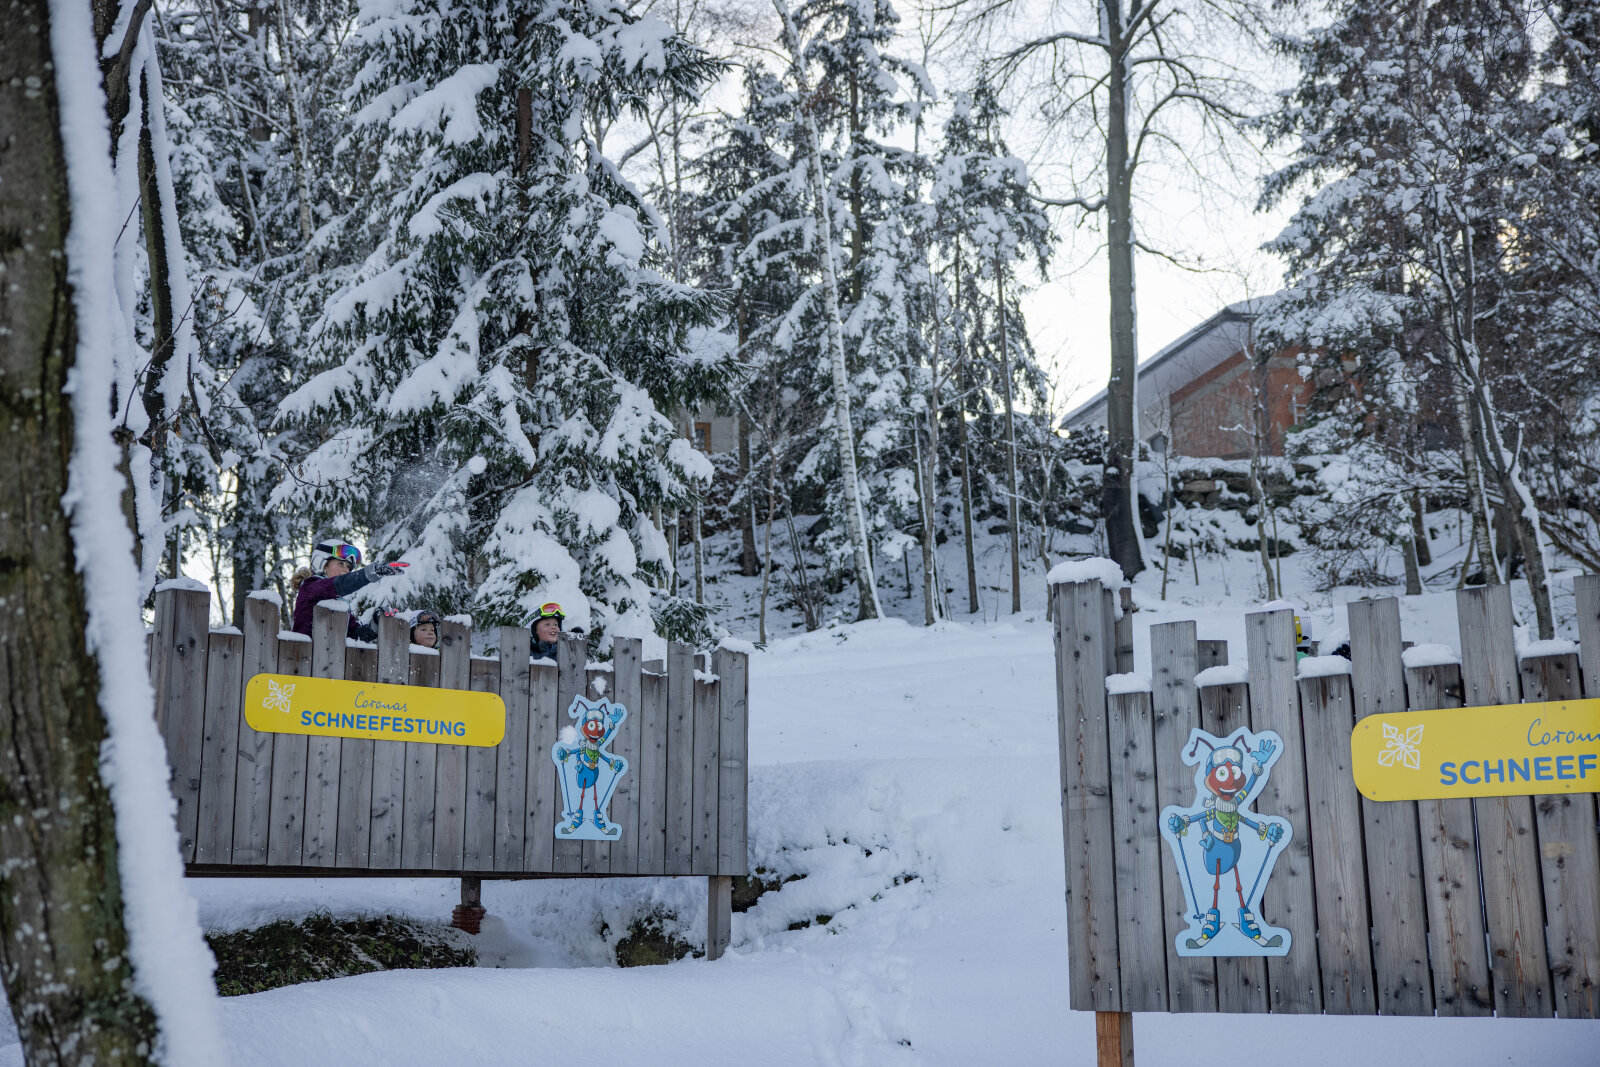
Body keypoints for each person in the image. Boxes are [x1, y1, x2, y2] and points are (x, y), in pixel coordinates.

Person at [290, 540, 407, 641]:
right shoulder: (310, 588)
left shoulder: (338, 603)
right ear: (323, 565)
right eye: (341, 563)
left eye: (348, 567)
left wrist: (376, 623)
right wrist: (371, 573)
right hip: (303, 656)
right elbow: (339, 584)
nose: (346, 570)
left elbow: (355, 636)